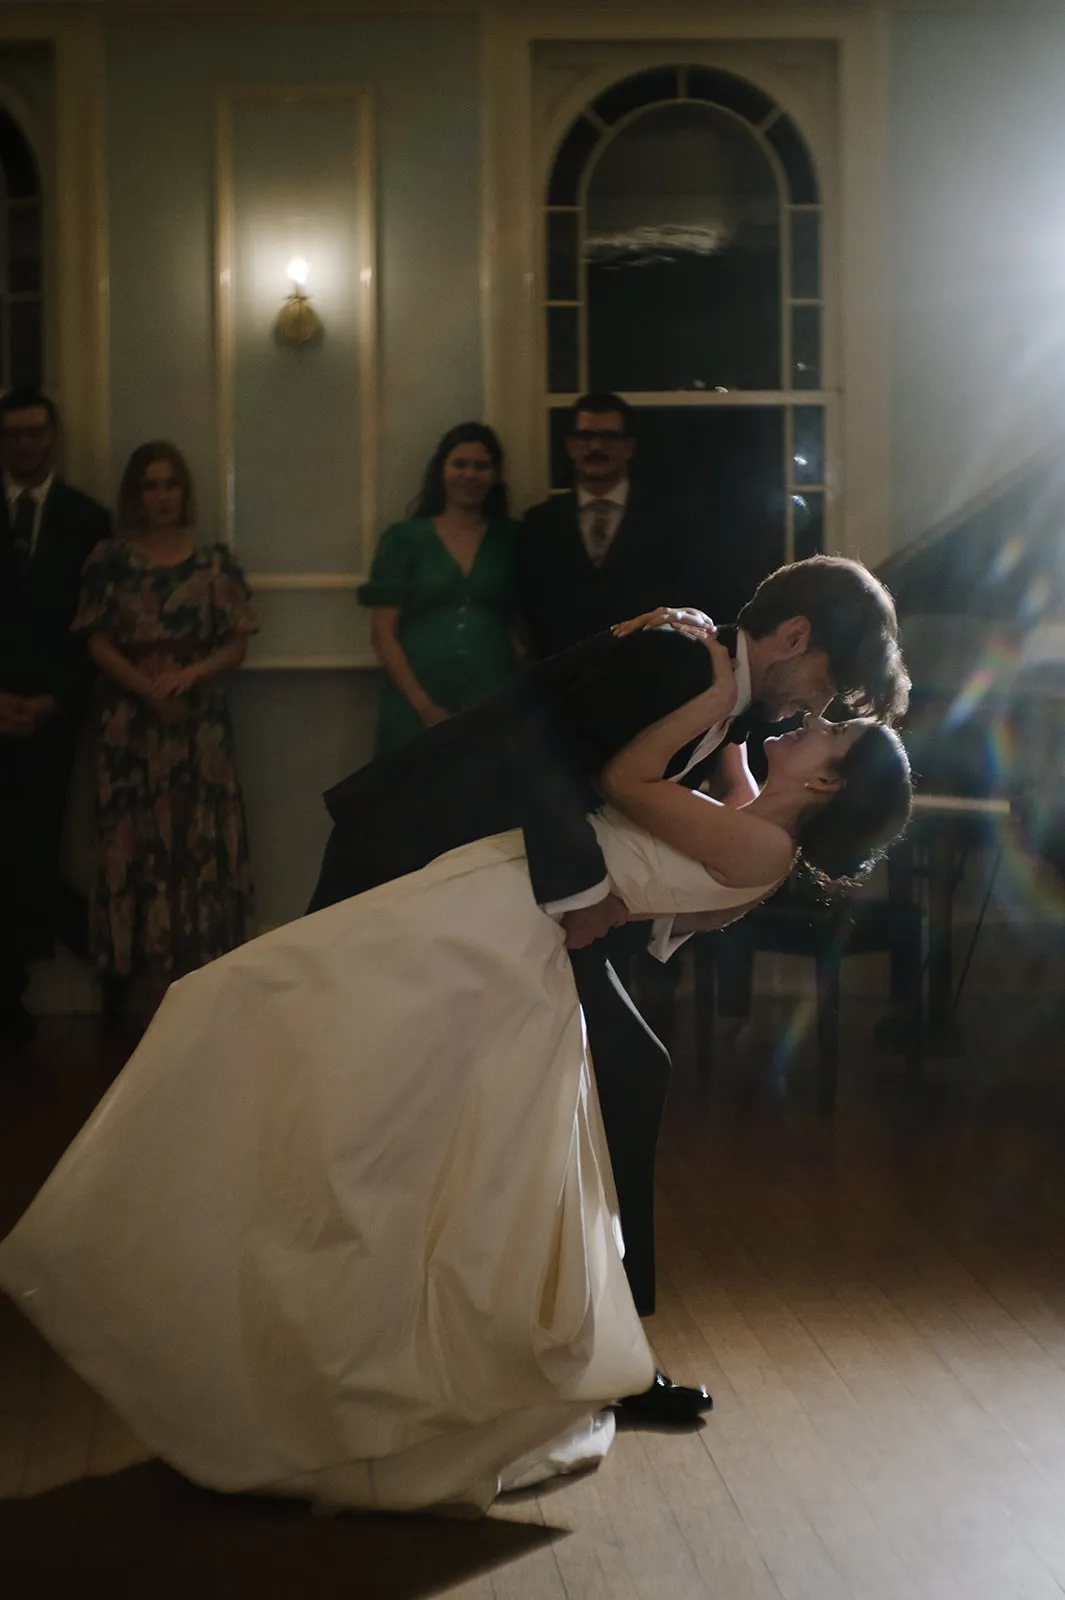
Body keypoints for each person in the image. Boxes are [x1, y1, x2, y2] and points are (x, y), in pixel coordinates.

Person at [0, 637, 912, 1515]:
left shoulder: (756, 848)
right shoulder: (752, 820)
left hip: (507, 922)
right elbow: (722, 791)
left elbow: (625, 782)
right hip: (505, 897)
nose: (809, 718)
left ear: (826, 783)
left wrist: (718, 704)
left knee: (300, 1034)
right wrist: (659, 658)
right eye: (821, 704)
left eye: (827, 732)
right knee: (315, 1032)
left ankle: (356, 1346)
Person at [307, 555, 910, 1421]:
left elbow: (645, 798)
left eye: (831, 713)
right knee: (360, 1080)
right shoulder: (684, 662)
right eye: (823, 683)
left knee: (615, 1074)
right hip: (415, 847)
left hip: (515, 899)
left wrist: (626, 902)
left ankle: (585, 1344)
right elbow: (537, 749)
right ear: (791, 637)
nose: (817, 708)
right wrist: (586, 893)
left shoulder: (710, 684)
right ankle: (441, 1330)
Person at [72, 442, 257, 1020]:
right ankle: (142, 984)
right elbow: (95, 639)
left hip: (199, 727)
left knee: (198, 841)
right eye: (150, 486)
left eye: (170, 485)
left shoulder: (214, 564)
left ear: (185, 492)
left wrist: (188, 676)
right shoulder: (109, 560)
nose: (161, 496)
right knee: (135, 844)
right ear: (136, 494)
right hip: (129, 727)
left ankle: (201, 979)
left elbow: (236, 641)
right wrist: (145, 685)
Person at [0, 387, 112, 1042]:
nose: (24, 444)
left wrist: (49, 701)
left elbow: (93, 626)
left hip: (53, 712)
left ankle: (94, 948)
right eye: (12, 434)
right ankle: (15, 991)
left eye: (34, 432)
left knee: (36, 845)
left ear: (54, 436)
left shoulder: (86, 520)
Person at [361, 422, 521, 754]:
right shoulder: (403, 539)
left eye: (481, 466)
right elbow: (382, 634)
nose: (470, 474)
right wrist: (424, 707)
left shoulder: (512, 539)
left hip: (493, 696)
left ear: (494, 475)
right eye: (460, 464)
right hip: (415, 699)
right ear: (441, 470)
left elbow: (526, 620)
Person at [518, 392, 691, 658]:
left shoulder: (671, 520)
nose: (596, 447)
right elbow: (529, 610)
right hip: (561, 680)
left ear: (629, 447)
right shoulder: (539, 522)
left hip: (650, 673)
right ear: (570, 446)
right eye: (585, 437)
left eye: (609, 437)